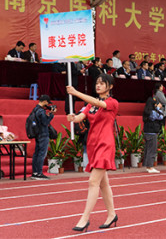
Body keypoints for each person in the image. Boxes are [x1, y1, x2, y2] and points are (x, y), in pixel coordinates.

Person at [66, 74, 119, 231]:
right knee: (104, 183)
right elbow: (80, 117)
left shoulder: (112, 103)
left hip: (105, 144)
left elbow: (98, 102)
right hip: (93, 145)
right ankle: (112, 214)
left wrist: (76, 93)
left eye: (102, 83)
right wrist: (73, 118)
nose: (98, 86)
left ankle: (85, 218)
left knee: (93, 182)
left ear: (110, 87)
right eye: (97, 83)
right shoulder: (91, 105)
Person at [30, 95, 56, 180]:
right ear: (44, 101)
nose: (47, 104)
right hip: (43, 134)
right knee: (42, 154)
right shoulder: (41, 111)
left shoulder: (35, 109)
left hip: (37, 134)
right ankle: (39, 173)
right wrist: (51, 114)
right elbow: (45, 122)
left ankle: (35, 172)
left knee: (36, 153)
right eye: (47, 102)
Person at [142, 95, 164, 173]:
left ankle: (148, 166)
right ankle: (150, 166)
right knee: (152, 150)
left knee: (148, 149)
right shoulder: (152, 112)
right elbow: (161, 116)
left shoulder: (146, 111)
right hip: (152, 132)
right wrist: (158, 108)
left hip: (147, 131)